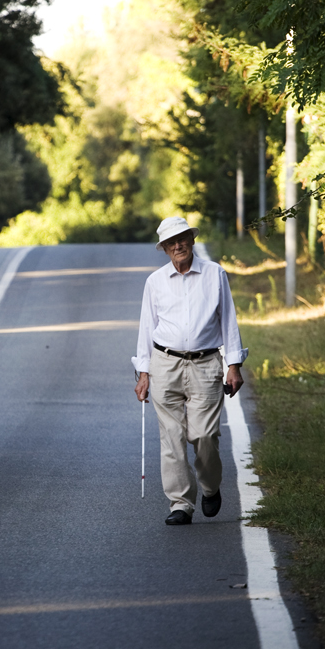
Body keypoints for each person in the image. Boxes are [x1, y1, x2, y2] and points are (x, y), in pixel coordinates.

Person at [133, 216, 247, 526]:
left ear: (192, 240)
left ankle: (210, 487)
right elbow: (147, 328)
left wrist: (233, 364)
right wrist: (143, 372)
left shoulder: (214, 274)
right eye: (171, 242)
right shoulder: (155, 282)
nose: (178, 245)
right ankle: (180, 503)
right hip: (164, 363)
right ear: (165, 249)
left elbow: (228, 321)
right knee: (171, 437)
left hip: (206, 363)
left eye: (182, 238)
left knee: (205, 435)